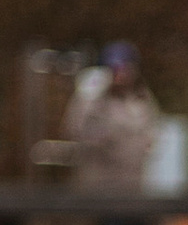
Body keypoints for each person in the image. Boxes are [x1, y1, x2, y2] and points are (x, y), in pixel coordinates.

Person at [62, 41, 160, 189]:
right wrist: (94, 96)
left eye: (126, 69)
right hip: (96, 184)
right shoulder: (90, 99)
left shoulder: (141, 99)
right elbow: (75, 129)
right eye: (116, 69)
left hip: (131, 185)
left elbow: (152, 131)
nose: (121, 75)